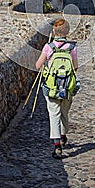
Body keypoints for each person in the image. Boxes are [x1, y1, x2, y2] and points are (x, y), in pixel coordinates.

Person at [36, 19, 79, 159]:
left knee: (54, 114)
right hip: (67, 87)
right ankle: (63, 136)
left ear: (54, 32)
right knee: (64, 113)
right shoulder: (72, 48)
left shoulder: (48, 47)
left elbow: (38, 65)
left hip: (52, 87)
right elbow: (75, 67)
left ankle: (57, 146)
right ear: (67, 32)